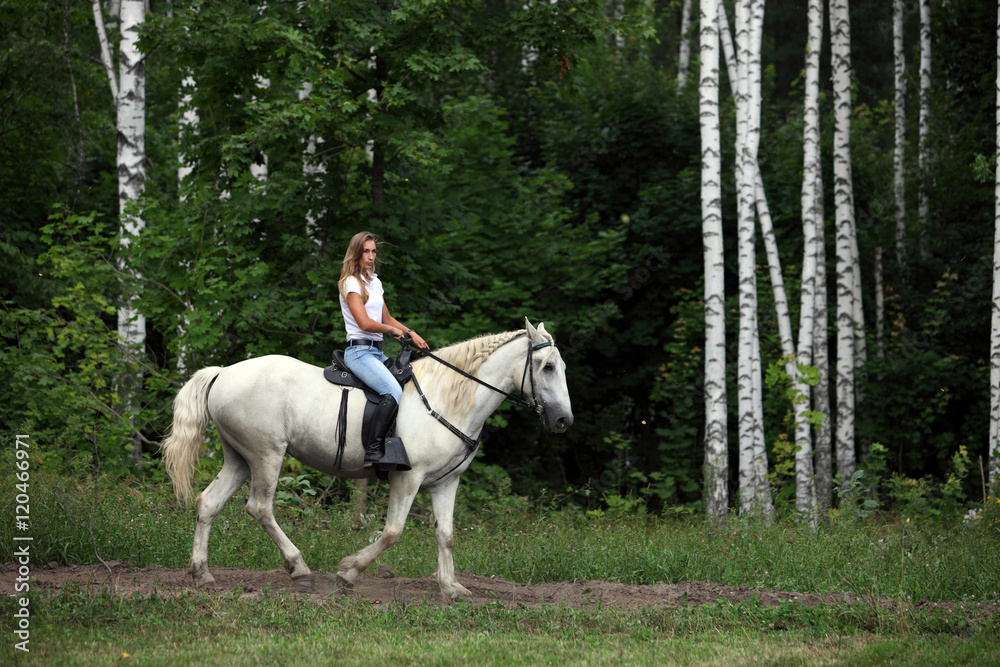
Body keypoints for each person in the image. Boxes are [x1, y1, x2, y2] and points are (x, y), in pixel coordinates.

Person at [338, 231, 428, 470]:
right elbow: (365, 323)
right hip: (359, 353)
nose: (370, 256)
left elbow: (386, 316)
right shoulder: (351, 283)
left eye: (373, 251)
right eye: (365, 251)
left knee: (410, 386)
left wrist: (411, 333)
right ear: (356, 253)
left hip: (377, 353)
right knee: (393, 391)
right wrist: (390, 330)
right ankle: (374, 451)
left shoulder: (374, 282)